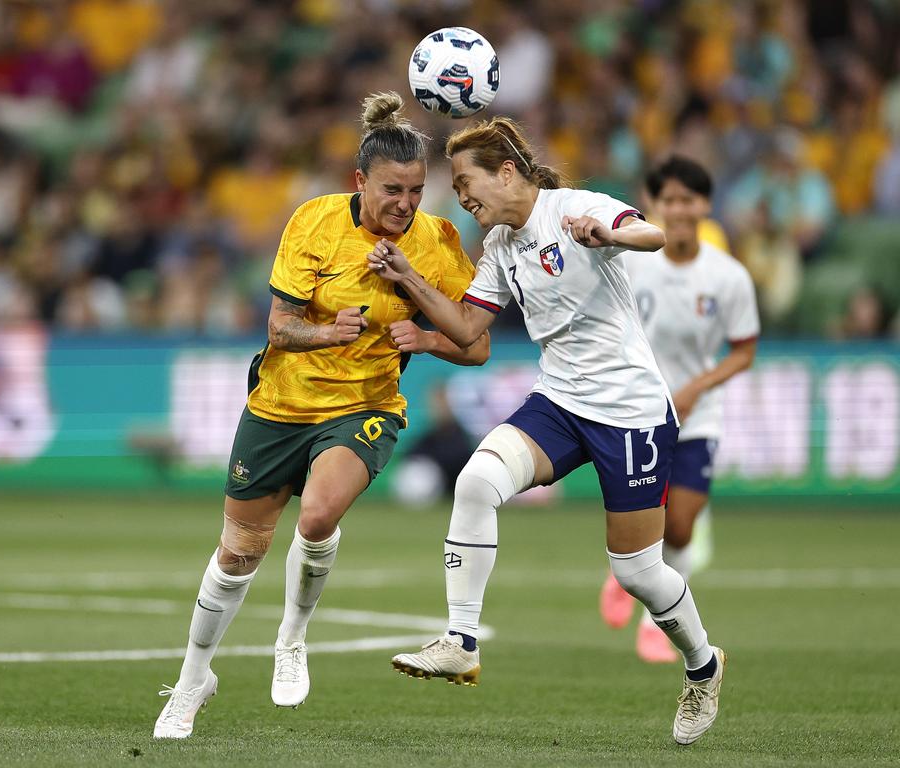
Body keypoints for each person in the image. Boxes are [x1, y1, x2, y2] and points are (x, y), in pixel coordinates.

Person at [371, 117, 726, 746]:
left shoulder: (575, 209)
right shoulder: (502, 247)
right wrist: (407, 279)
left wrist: (605, 233)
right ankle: (460, 639)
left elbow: (652, 233)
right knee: (477, 480)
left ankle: (703, 664)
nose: (462, 198)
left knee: (637, 572)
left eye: (465, 182)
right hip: (560, 402)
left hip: (631, 412)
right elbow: (466, 330)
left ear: (507, 171)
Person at [152, 92, 489, 739]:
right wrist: (327, 334)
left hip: (365, 405)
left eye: (417, 190)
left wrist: (423, 327)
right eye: (393, 189)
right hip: (280, 403)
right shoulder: (315, 222)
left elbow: (475, 345)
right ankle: (195, 677)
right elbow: (278, 327)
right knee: (239, 552)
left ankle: (292, 636)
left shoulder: (437, 242)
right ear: (361, 182)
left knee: (319, 513)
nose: (406, 204)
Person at [599, 156, 759, 663]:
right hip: (638, 411)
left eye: (688, 199)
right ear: (652, 205)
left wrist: (694, 389)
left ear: (705, 205)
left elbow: (744, 349)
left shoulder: (728, 276)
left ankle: (653, 617)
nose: (679, 209)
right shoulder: (632, 261)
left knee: (683, 526)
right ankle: (627, 572)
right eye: (668, 199)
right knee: (644, 517)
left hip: (696, 416)